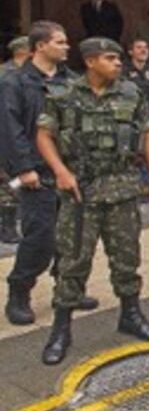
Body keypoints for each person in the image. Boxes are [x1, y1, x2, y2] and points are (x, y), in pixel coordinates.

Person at [36, 38, 149, 365]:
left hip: (121, 189)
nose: (118, 63)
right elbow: (44, 136)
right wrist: (61, 171)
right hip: (81, 194)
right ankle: (61, 329)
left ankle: (131, 315)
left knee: (126, 258)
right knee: (72, 261)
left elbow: (146, 135)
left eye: (119, 58)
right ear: (91, 61)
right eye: (110, 58)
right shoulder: (63, 95)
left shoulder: (131, 94)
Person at [1, 22, 99, 325]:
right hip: (38, 174)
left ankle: (67, 290)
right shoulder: (15, 83)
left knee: (73, 238)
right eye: (60, 42)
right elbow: (9, 128)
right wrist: (24, 169)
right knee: (40, 237)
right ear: (39, 46)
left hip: (72, 172)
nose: (67, 46)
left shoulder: (72, 81)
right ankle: (19, 292)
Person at [0, 36, 30, 243]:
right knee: (8, 180)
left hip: (15, 134)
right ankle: (7, 227)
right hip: (5, 134)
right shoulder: (8, 75)